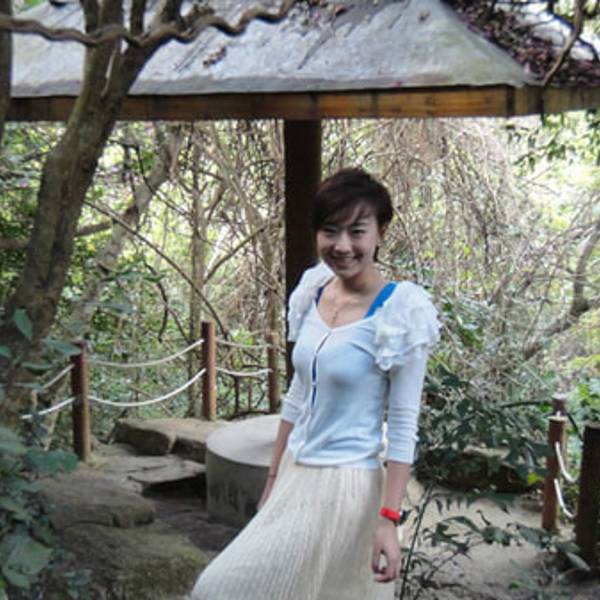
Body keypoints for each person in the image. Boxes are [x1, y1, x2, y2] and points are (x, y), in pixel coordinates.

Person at [192, 168, 440, 600]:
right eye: (330, 231)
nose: (342, 245)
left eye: (357, 231)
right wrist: (273, 478)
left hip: (346, 483)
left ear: (380, 233)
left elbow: (403, 424)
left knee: (217, 589)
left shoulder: (401, 311)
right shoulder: (314, 289)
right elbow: (298, 395)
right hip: (295, 472)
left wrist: (389, 519)